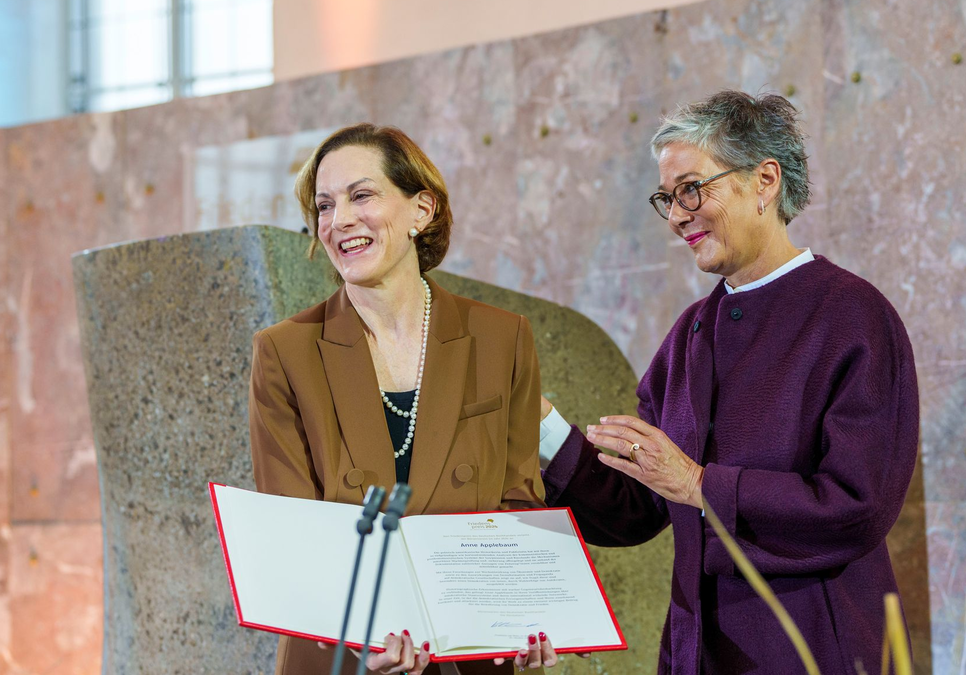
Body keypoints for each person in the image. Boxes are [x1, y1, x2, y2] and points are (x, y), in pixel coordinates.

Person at [537, 90, 919, 675]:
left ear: (765, 180)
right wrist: (540, 425)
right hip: (696, 653)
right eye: (667, 198)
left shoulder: (852, 317)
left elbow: (857, 507)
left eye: (691, 189)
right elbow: (639, 507)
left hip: (813, 648)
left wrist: (699, 484)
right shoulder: (691, 333)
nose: (676, 215)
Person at [250, 124, 561, 675]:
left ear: (422, 209)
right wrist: (366, 633)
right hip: (339, 651)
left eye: (361, 195)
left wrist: (523, 616)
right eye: (325, 205)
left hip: (469, 652)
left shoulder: (502, 338)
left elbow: (520, 501)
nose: (339, 220)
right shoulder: (284, 351)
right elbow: (293, 530)